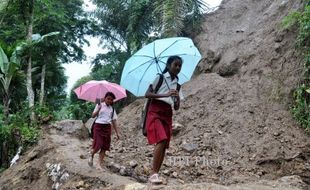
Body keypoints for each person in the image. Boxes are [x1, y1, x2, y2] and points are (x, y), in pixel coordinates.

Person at [144, 56, 183, 184]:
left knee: (165, 143)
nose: (177, 68)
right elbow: (147, 94)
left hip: (167, 113)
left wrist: (176, 97)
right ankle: (153, 173)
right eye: (175, 65)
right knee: (160, 139)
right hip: (155, 111)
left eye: (179, 66)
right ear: (168, 65)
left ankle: (156, 173)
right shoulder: (159, 78)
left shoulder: (177, 85)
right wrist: (165, 94)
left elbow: (176, 107)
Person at [88, 92, 120, 170]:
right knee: (98, 144)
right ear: (105, 98)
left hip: (107, 128)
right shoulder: (99, 105)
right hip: (98, 127)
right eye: (108, 98)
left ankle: (98, 164)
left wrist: (117, 133)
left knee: (104, 147)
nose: (109, 101)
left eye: (111, 100)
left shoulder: (112, 109)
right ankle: (92, 154)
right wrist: (98, 109)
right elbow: (93, 116)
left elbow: (114, 121)